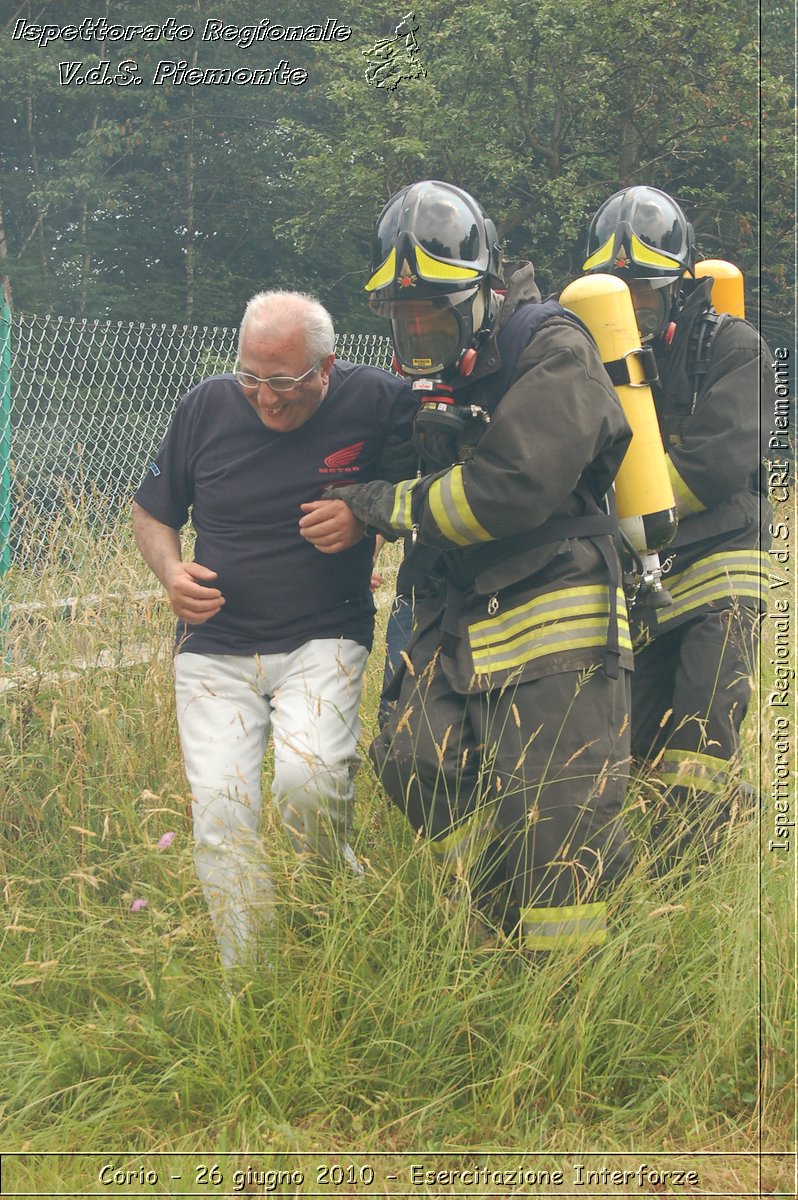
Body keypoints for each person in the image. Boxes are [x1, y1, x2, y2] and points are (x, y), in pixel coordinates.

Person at [301, 180, 636, 956]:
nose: (420, 334)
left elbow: (511, 486)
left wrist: (386, 507)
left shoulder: (552, 346)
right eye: (405, 320)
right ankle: (493, 913)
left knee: (556, 816)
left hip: (558, 608)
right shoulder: (434, 372)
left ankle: (569, 995)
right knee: (413, 762)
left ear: (484, 291)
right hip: (459, 616)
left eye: (434, 316)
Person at [132, 290, 416, 971]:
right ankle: (251, 978)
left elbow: (435, 486)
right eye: (251, 378)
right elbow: (152, 512)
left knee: (308, 780)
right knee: (223, 816)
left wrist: (366, 513)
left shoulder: (378, 401)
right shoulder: (205, 406)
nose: (266, 397)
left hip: (324, 634)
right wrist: (171, 573)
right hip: (214, 648)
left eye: (284, 382)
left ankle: (329, 907)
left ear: (326, 367)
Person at [582, 185, 771, 866]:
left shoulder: (737, 348)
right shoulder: (594, 359)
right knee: (630, 734)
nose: (633, 314)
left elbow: (720, 460)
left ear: (681, 290)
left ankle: (683, 877)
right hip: (644, 572)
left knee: (701, 721)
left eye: (648, 298)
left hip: (724, 561)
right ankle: (665, 845)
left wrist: (634, 514)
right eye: (621, 299)